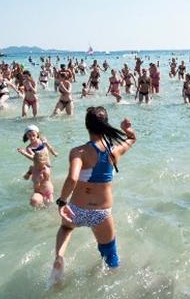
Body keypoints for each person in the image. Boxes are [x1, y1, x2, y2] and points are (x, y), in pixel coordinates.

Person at [52, 107, 137, 280]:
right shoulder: (114, 151)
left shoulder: (78, 152)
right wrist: (127, 130)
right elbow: (132, 139)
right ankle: (112, 280)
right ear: (105, 125)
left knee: (66, 228)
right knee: (110, 256)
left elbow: (72, 178)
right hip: (101, 213)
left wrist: (62, 201)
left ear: (87, 126)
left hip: (77, 209)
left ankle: (59, 258)